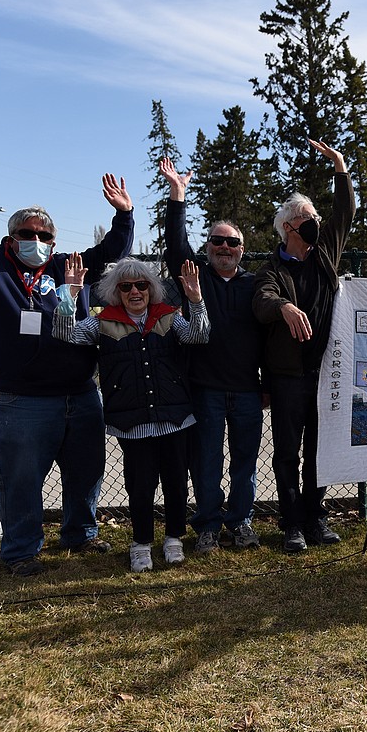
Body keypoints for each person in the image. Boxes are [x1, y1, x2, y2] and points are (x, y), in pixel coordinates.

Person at [0, 157, 133, 576]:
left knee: (86, 473)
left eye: (44, 235)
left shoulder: (65, 268)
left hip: (79, 393)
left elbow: (112, 250)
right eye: (27, 234)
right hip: (20, 401)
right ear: (12, 237)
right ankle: (20, 550)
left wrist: (124, 214)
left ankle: (80, 533)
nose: (36, 240)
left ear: (55, 243)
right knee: (20, 483)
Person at [54, 255, 209, 572]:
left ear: (152, 288)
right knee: (140, 487)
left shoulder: (168, 317)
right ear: (116, 291)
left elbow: (199, 335)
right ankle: (141, 543)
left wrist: (196, 300)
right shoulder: (103, 322)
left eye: (141, 285)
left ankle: (174, 539)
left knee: (176, 484)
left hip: (175, 420)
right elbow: (64, 333)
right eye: (126, 287)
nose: (135, 292)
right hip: (132, 424)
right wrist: (69, 294)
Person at [253, 140, 355, 553]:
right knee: (287, 453)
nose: (315, 222)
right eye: (307, 218)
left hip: (325, 372)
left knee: (320, 449)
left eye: (315, 215)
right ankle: (291, 522)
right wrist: (285, 306)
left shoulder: (324, 252)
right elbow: (261, 302)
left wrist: (340, 167)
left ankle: (317, 515)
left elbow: (345, 213)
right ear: (288, 228)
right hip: (288, 377)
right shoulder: (271, 268)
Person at [160, 157, 265, 553]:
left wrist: (266, 385)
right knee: (205, 463)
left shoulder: (255, 285)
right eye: (217, 241)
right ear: (207, 248)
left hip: (246, 391)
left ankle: (240, 523)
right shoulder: (194, 275)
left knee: (244, 464)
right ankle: (207, 525)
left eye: (232, 242)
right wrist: (178, 196)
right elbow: (174, 243)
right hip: (204, 390)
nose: (224, 247)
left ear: (242, 250)